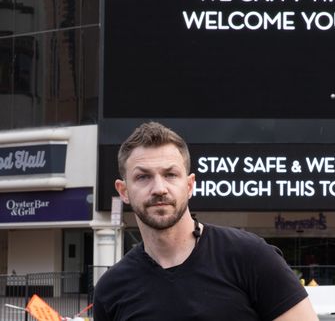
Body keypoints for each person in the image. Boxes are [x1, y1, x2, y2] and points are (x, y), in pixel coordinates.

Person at [93, 121, 318, 320]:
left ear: (190, 185)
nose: (159, 188)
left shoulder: (250, 256)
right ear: (123, 191)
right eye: (143, 177)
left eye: (170, 174)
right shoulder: (111, 289)